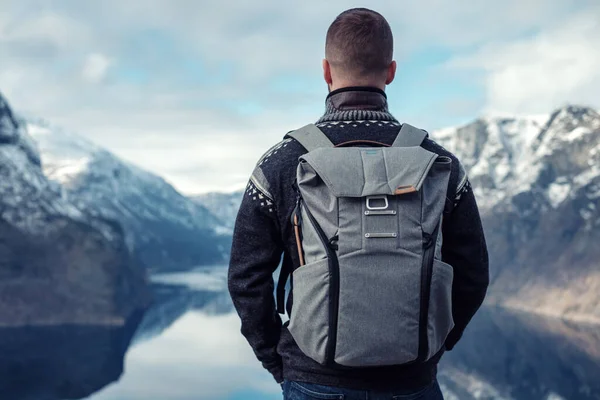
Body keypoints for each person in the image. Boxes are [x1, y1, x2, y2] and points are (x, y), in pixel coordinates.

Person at [228, 7, 489, 400]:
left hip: (313, 379)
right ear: (392, 71)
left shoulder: (281, 164)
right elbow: (473, 274)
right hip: (413, 382)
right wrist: (433, 345)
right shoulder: (440, 164)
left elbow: (245, 279)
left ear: (326, 71)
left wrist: (279, 361)